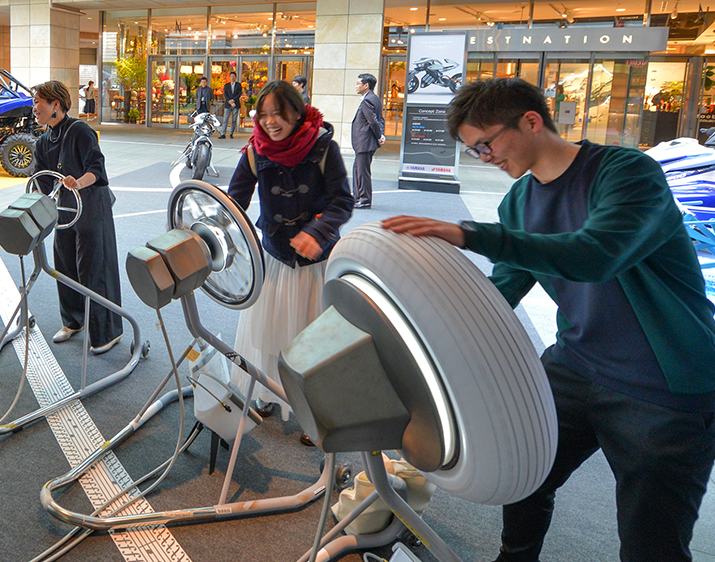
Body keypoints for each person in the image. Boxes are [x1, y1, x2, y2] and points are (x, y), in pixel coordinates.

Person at [381, 77, 715, 562]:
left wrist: (472, 234)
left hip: (663, 388)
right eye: (474, 151)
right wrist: (414, 331)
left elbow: (597, 254)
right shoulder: (519, 201)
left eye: (486, 144)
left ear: (531, 121)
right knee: (524, 477)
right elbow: (502, 292)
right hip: (574, 368)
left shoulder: (626, 173)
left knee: (651, 543)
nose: (484, 158)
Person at [227, 80, 353, 441]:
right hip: (276, 259)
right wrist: (213, 227)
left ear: (297, 113)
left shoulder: (324, 147)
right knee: (270, 333)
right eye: (263, 115)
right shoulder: (255, 152)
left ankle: (317, 412)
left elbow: (342, 202)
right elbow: (235, 201)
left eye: (278, 113)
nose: (270, 122)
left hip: (317, 264)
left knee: (315, 340)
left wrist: (318, 231)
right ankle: (268, 391)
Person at [31, 80, 124, 354]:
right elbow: (41, 181)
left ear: (55, 104)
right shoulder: (43, 141)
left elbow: (97, 169)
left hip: (91, 205)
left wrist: (77, 183)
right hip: (64, 211)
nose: (34, 107)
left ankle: (107, 332)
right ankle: (73, 321)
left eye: (37, 102)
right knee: (65, 264)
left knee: (95, 268)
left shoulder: (81, 131)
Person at [350, 73, 385, 209]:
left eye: (358, 83)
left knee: (362, 172)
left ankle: (364, 199)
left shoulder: (368, 100)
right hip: (365, 142)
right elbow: (380, 119)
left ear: (366, 85)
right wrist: (381, 134)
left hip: (365, 142)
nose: (356, 86)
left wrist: (379, 136)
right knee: (357, 170)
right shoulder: (374, 98)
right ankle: (358, 197)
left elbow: (373, 121)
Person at [219, 70, 242, 139]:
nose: (232, 78)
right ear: (229, 77)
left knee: (234, 120)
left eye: (233, 76)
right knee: (225, 119)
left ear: (236, 77)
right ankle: (223, 134)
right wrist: (230, 101)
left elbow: (239, 94)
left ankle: (231, 133)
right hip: (228, 104)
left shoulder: (238, 85)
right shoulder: (226, 85)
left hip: (236, 104)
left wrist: (233, 100)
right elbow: (225, 95)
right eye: (231, 76)